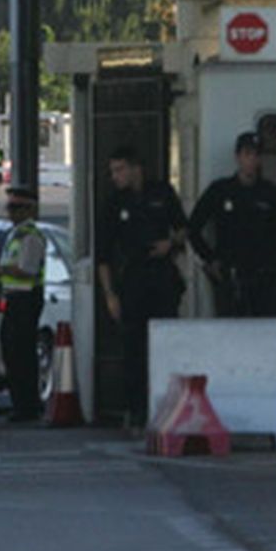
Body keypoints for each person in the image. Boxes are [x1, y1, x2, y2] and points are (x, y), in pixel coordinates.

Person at [96, 145, 188, 428]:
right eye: (112, 171)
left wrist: (170, 243)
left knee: (166, 345)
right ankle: (135, 410)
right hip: (132, 279)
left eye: (120, 169)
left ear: (136, 168)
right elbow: (103, 254)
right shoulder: (114, 203)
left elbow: (184, 228)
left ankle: (168, 406)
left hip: (162, 276)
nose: (116, 176)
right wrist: (110, 294)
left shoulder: (161, 193)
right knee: (133, 348)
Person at [187, 131, 276, 317]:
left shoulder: (269, 193)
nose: (251, 160)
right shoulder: (220, 190)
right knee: (231, 335)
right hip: (230, 277)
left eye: (256, 155)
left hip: (262, 279)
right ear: (238, 157)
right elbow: (193, 229)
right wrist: (210, 260)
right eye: (247, 154)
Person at [0, 186, 47, 422]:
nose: (10, 212)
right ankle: (21, 404)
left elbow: (27, 269)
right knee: (12, 353)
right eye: (9, 207)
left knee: (22, 354)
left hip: (25, 298)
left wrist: (1, 270)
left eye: (15, 207)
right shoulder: (15, 234)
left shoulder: (30, 236)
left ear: (28, 209)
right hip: (14, 298)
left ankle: (27, 406)